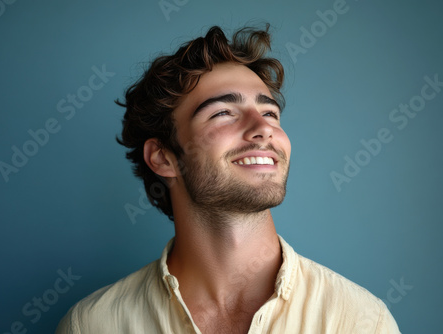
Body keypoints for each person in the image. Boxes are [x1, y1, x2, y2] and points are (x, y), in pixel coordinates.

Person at [56, 25, 400, 333]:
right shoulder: (93, 325)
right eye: (223, 113)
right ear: (163, 157)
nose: (264, 128)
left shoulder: (360, 321)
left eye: (270, 113)